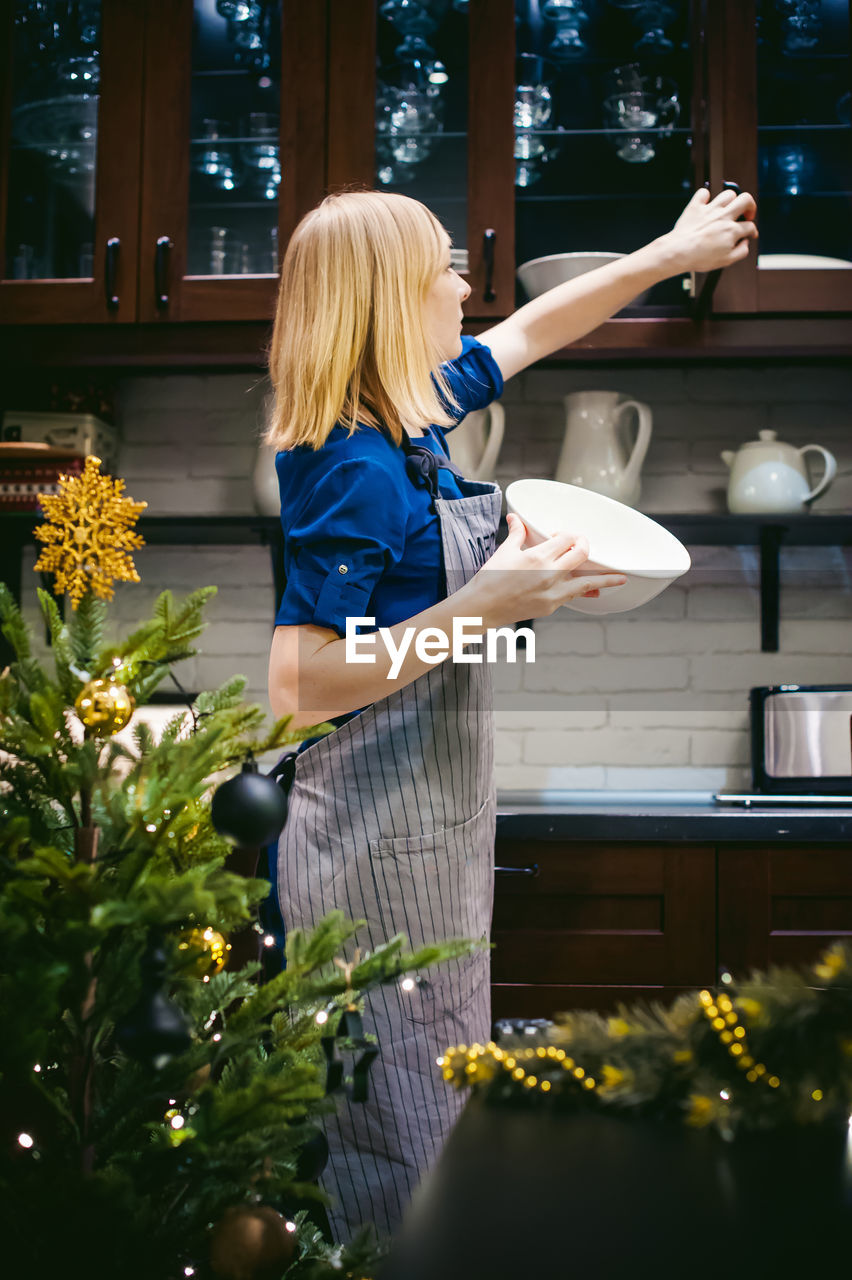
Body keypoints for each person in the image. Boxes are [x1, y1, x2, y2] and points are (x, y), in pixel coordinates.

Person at [266, 185, 758, 1238]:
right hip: (370, 837)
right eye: (446, 266)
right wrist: (481, 604)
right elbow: (298, 683)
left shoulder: (414, 411)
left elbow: (540, 323)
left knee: (438, 1097)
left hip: (428, 823)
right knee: (389, 1125)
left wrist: (670, 248)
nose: (464, 285)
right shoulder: (352, 465)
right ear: (391, 296)